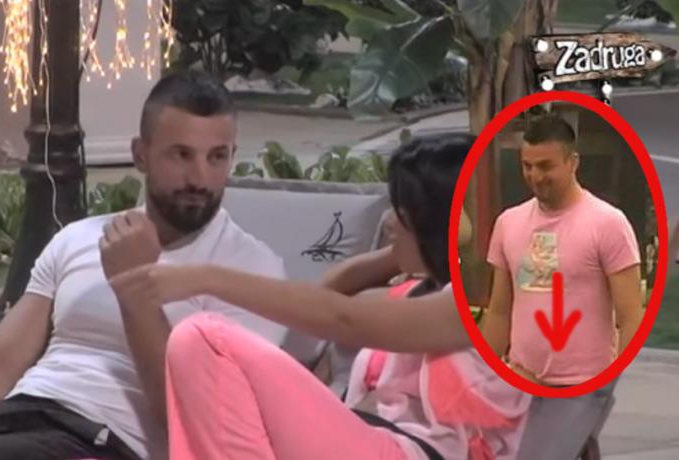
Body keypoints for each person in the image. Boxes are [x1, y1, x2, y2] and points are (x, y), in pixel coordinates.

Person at [108, 135, 532, 460]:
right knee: (193, 348)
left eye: (402, 213)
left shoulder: (481, 306)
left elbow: (343, 319)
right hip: (366, 437)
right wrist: (410, 250)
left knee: (205, 337)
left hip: (413, 454)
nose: (388, 222)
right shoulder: (416, 297)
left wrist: (205, 278)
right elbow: (327, 296)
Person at [0, 70, 289, 459]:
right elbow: (3, 363)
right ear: (140, 155)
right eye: (181, 154)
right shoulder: (78, 238)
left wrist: (134, 287)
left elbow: (199, 420)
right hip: (20, 417)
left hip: (108, 442)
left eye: (217, 157)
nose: (199, 178)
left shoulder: (251, 272)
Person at [481, 112, 643, 387]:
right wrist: (481, 376)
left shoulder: (608, 223)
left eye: (546, 166)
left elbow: (630, 317)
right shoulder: (508, 223)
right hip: (520, 379)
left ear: (573, 163)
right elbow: (499, 311)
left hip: (585, 384)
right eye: (527, 166)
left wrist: (611, 385)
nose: (535, 176)